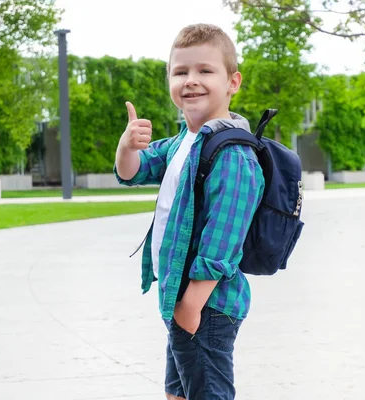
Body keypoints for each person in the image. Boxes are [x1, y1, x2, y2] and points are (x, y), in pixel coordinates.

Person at [113, 23, 265, 400]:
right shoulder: (185, 140)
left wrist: (191, 307)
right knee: (178, 394)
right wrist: (126, 146)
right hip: (181, 301)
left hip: (206, 306)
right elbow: (133, 172)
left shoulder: (231, 153)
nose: (191, 80)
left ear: (233, 82)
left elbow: (223, 238)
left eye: (205, 71)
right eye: (180, 72)